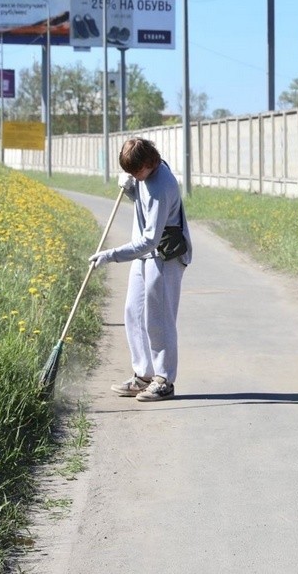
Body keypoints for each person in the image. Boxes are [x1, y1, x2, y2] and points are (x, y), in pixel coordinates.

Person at [89, 138, 192, 402]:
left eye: (137, 172)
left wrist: (110, 255)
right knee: (133, 312)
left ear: (150, 163)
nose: (134, 176)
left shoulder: (161, 186)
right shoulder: (145, 177)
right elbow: (143, 207)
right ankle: (143, 374)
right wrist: (132, 190)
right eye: (130, 172)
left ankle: (164, 379)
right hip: (145, 256)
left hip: (164, 257)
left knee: (159, 319)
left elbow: (150, 239)